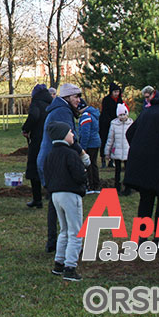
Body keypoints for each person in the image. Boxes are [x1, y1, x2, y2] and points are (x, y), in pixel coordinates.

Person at [37, 83, 91, 252]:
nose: (79, 100)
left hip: (50, 160)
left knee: (55, 202)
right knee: (64, 202)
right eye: (76, 96)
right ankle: (67, 242)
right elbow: (69, 136)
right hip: (57, 162)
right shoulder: (62, 111)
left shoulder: (60, 109)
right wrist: (82, 154)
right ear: (67, 97)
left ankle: (53, 242)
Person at [124, 89, 159, 234]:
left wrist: (139, 148)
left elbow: (129, 133)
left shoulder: (147, 111)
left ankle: (142, 237)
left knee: (146, 198)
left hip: (140, 161)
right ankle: (158, 235)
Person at [44, 121, 87, 282]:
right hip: (70, 194)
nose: (73, 135)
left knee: (64, 230)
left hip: (55, 195)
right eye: (70, 132)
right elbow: (80, 176)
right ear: (63, 136)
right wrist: (83, 173)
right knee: (75, 232)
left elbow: (46, 175)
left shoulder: (50, 155)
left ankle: (59, 263)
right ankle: (70, 267)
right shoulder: (71, 154)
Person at [21, 84, 52, 208]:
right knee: (49, 166)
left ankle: (37, 199)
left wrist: (26, 128)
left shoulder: (36, 103)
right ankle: (50, 193)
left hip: (37, 139)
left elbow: (34, 116)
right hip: (50, 138)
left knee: (34, 168)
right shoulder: (51, 103)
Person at [105, 103, 133, 195]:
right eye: (120, 115)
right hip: (117, 150)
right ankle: (117, 187)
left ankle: (128, 188)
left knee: (128, 171)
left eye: (124, 114)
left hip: (127, 151)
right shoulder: (114, 124)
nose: (122, 117)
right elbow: (110, 138)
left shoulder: (131, 124)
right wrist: (107, 152)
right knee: (117, 171)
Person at [78, 99, 101, 193]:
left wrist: (83, 147)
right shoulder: (93, 114)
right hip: (96, 142)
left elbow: (85, 133)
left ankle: (90, 186)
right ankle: (96, 185)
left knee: (88, 164)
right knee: (94, 164)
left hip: (90, 144)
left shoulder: (85, 116)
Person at [99, 83, 124, 167]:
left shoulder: (120, 100)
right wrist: (109, 121)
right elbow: (105, 112)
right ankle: (103, 159)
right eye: (115, 92)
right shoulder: (106, 100)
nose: (116, 93)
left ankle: (111, 160)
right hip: (105, 124)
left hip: (116, 123)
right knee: (104, 141)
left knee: (114, 142)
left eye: (118, 92)